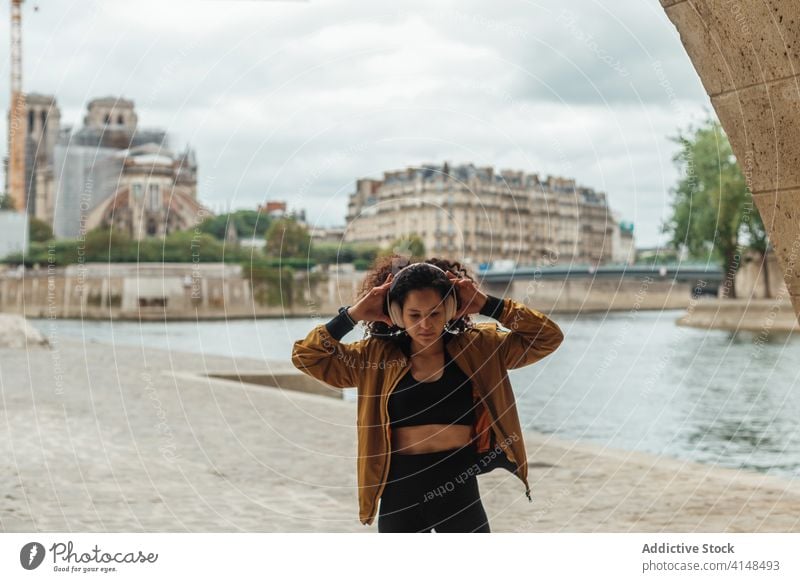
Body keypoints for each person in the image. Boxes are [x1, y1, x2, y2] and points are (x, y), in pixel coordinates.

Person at [291, 255, 564, 532]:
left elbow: (548, 337)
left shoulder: (480, 348)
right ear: (396, 314)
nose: (425, 325)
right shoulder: (373, 358)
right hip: (400, 490)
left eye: (434, 313)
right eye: (414, 315)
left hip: (460, 486)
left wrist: (489, 305)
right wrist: (353, 315)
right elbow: (306, 356)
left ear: (450, 309)